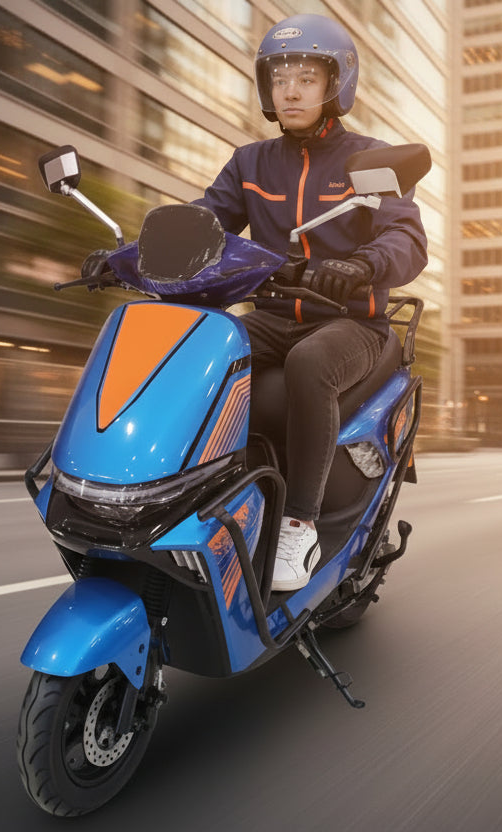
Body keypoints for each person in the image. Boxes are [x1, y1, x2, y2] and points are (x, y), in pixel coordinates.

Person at [191, 14, 428, 590]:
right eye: (279, 79)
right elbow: (201, 226)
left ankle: (299, 525)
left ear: (335, 85)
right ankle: (194, 492)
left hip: (352, 325)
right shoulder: (250, 163)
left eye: (305, 78)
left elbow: (407, 238)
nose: (290, 90)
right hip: (273, 318)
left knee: (311, 362)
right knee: (197, 346)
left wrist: (362, 265)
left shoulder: (369, 160)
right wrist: (130, 253)